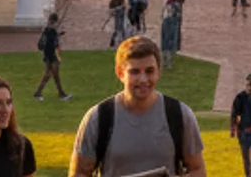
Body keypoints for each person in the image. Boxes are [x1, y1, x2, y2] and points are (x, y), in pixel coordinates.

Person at [71, 37, 208, 177]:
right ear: (120, 73)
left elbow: (198, 169)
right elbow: (79, 173)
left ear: (159, 71)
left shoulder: (179, 114)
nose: (143, 79)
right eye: (134, 72)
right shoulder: (99, 118)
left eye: (149, 71)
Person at [35, 13, 74, 101]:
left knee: (53, 75)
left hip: (47, 55)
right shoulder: (53, 30)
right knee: (51, 75)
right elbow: (53, 43)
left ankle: (60, 93)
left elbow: (47, 40)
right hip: (52, 55)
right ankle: (39, 93)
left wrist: (59, 34)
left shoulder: (46, 29)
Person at [161, 0, 188, 69]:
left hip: (174, 16)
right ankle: (167, 59)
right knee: (168, 38)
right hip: (168, 16)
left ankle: (169, 59)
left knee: (171, 38)